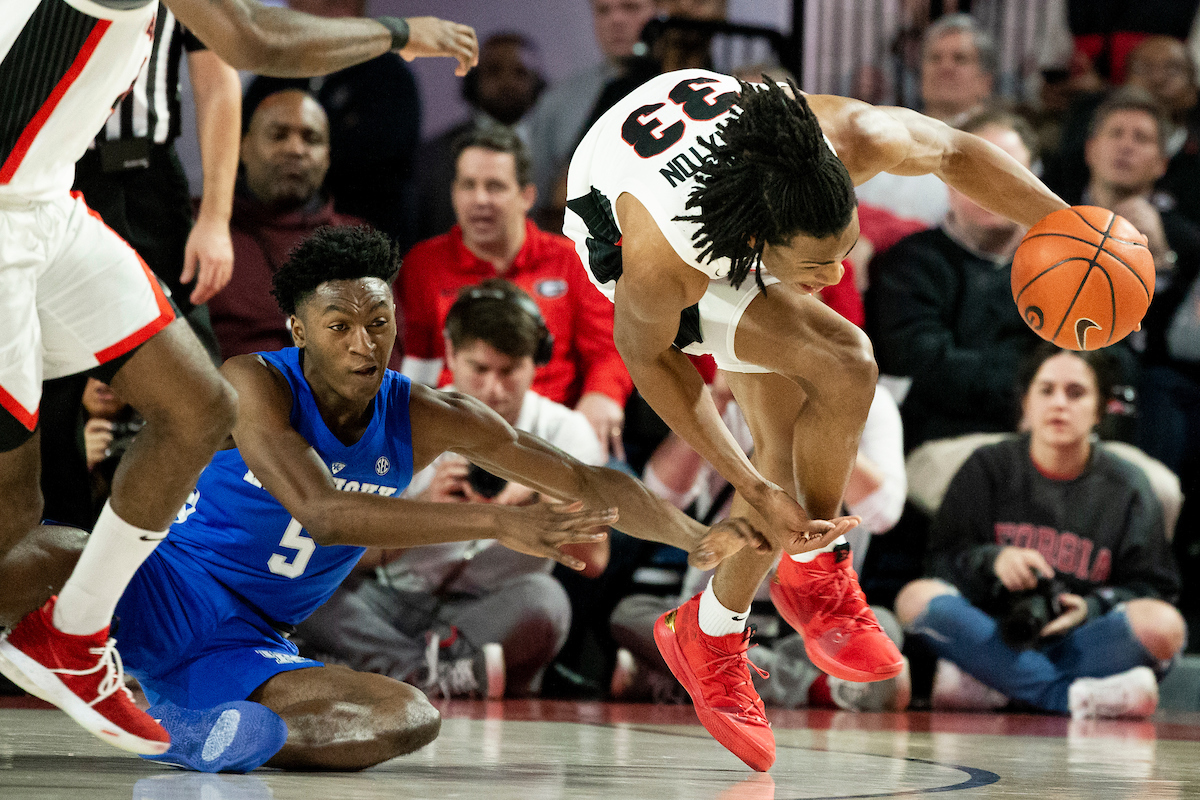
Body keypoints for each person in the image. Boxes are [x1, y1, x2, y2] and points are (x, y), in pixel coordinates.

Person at [0, 0, 477, 757]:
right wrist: (400, 35)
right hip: (7, 211)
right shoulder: (273, 379)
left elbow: (223, 58)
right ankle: (77, 628)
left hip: (51, 201)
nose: (362, 344)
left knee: (196, 405)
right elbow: (255, 37)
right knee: (14, 513)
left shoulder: (406, 406)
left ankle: (84, 642)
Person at [106, 226, 763, 772]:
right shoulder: (254, 382)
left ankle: (188, 732)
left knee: (408, 717)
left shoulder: (425, 414)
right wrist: (497, 520)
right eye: (339, 326)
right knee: (45, 550)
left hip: (255, 642)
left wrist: (697, 538)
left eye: (378, 321)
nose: (364, 344)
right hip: (166, 588)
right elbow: (324, 513)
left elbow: (586, 481)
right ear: (299, 331)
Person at [563, 69, 1071, 772]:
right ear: (757, 246)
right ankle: (815, 566)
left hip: (716, 175)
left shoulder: (846, 137)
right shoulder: (664, 261)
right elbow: (654, 367)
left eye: (845, 249)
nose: (836, 276)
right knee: (845, 361)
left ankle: (708, 630)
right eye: (815, 263)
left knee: (787, 441)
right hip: (624, 228)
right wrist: (741, 480)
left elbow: (955, 151)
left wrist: (1066, 222)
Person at [295, 279, 605, 699]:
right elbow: (343, 546)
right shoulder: (398, 419)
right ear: (451, 355)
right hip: (390, 599)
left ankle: (381, 667)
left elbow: (595, 561)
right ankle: (431, 673)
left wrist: (542, 495)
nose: (494, 390)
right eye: (479, 370)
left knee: (546, 601)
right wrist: (421, 512)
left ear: (537, 363)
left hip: (486, 610)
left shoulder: (566, 431)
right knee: (309, 580)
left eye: (509, 371)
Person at [893, 344, 1185, 718]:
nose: (1059, 403)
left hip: (1080, 639)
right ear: (1026, 404)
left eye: (1076, 392)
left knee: (1165, 625)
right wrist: (994, 560)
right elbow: (940, 564)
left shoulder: (1128, 486)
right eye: (1046, 390)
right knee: (914, 598)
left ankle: (996, 685)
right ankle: (1068, 698)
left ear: (1100, 410)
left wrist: (1092, 607)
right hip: (995, 633)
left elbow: (1155, 588)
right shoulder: (987, 467)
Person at [400, 125, 632, 457]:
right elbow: (416, 368)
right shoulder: (423, 264)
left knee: (627, 499)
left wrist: (603, 395)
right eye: (469, 185)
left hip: (558, 436)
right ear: (453, 193)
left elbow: (609, 349)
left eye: (495, 186)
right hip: (456, 440)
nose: (480, 199)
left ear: (527, 195)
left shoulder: (573, 260)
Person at [866, 110, 1045, 452]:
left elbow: (1092, 358)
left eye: (1008, 170)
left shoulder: (1062, 266)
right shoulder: (911, 261)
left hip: (1051, 436)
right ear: (946, 179)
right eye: (974, 171)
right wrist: (1026, 390)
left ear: (1034, 181)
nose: (989, 185)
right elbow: (924, 363)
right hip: (943, 439)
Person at [243, 0, 426, 252]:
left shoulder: (388, 77)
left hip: (363, 244)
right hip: (268, 233)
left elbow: (378, 154)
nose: (295, 150)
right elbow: (241, 143)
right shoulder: (272, 76)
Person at [207, 88, 364, 360]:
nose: (295, 149)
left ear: (327, 156)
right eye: (278, 136)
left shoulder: (361, 243)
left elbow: (385, 361)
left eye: (310, 138)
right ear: (243, 147)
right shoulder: (203, 230)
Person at [855, 13, 998, 226]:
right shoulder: (885, 129)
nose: (945, 67)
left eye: (960, 59)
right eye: (934, 58)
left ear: (986, 81)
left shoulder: (1003, 143)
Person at [527, 0, 658, 225]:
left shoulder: (687, 84)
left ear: (660, 11)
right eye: (603, 11)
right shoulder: (559, 100)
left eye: (630, 7)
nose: (615, 21)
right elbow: (536, 194)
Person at [414, 32, 547, 241]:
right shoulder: (434, 156)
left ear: (537, 83)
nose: (507, 82)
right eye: (494, 71)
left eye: (520, 73)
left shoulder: (559, 150)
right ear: (473, 80)